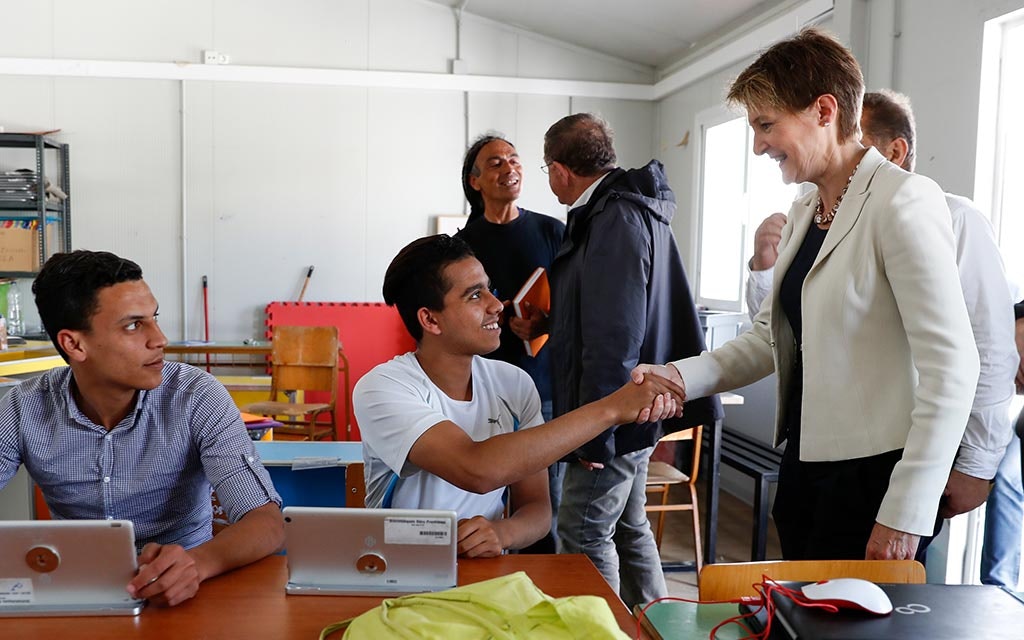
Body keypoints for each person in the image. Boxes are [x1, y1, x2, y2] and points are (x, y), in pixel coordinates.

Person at [635, 28, 979, 562]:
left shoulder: (902, 201)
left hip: (874, 481)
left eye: (766, 125)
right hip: (807, 466)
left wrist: (905, 510)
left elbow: (952, 367)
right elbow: (773, 339)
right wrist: (681, 376)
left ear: (824, 110)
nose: (758, 145)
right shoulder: (805, 210)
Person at [744, 89, 1019, 565]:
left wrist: (976, 464)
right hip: (809, 451)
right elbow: (782, 329)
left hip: (885, 461)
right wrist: (763, 265)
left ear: (894, 151)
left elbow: (986, 348)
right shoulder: (813, 215)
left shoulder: (955, 219)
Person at [353, 234, 684, 559]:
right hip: (399, 571)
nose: (497, 305)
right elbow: (476, 469)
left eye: (489, 289)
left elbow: (537, 509)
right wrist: (611, 409)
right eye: (474, 296)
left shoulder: (513, 384)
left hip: (483, 574)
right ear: (430, 319)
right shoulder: (383, 388)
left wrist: (502, 533)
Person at [0, 250, 284, 607]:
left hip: (188, 595)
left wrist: (196, 564)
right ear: (74, 344)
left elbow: (267, 522)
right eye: (134, 325)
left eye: (154, 318)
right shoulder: (24, 407)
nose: (159, 339)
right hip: (76, 594)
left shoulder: (196, 395)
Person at [541, 112, 721, 608]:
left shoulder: (613, 217)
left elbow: (613, 335)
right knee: (627, 522)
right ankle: (657, 623)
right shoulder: (627, 208)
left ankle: (606, 629)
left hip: (617, 411)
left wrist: (596, 431)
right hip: (634, 408)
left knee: (581, 531)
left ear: (559, 170)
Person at [456, 133, 566, 552]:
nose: (510, 168)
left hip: (542, 386)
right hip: (480, 389)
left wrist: (545, 322)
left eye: (514, 160)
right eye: (496, 162)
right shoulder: (462, 244)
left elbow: (574, 309)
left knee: (540, 504)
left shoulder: (553, 231)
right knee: (481, 497)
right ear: (476, 181)